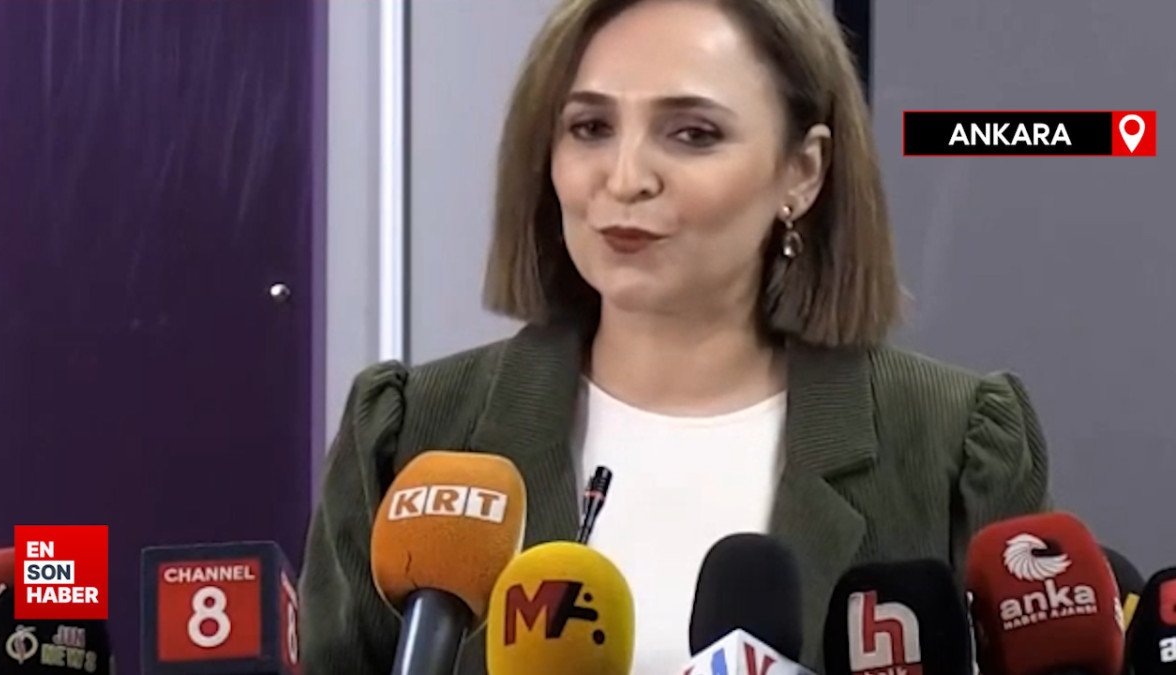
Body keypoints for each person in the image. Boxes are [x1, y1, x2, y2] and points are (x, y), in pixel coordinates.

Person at [298, 0, 1051, 672]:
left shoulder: (953, 443)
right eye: (590, 128)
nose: (626, 177)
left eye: (692, 133)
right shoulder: (413, 435)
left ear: (802, 171)